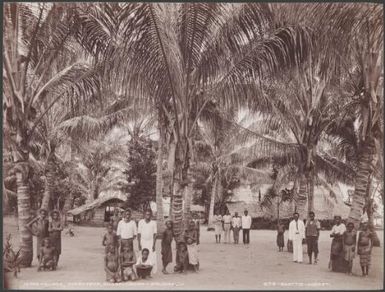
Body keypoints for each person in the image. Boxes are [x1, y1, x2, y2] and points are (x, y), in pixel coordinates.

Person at [138, 209, 157, 274]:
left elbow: (155, 234)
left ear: (151, 215)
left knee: (151, 255)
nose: (148, 216)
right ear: (144, 215)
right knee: (142, 255)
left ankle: (150, 272)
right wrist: (139, 244)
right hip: (143, 241)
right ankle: (141, 271)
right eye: (146, 214)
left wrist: (154, 244)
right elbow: (139, 234)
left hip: (151, 241)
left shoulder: (153, 223)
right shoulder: (141, 222)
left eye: (149, 214)